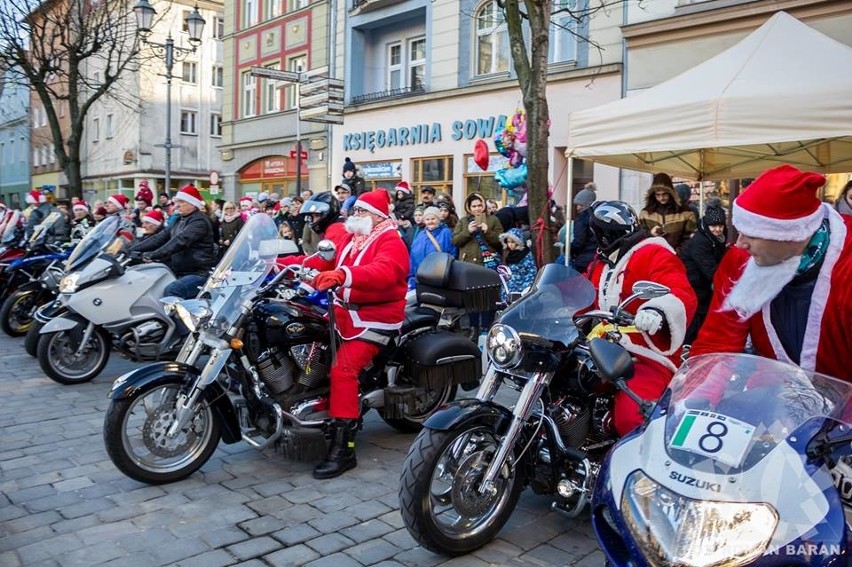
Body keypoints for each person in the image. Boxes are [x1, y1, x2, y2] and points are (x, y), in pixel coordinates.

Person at [690, 165, 852, 382]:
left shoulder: (846, 267)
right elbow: (717, 342)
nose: (740, 243)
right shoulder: (740, 260)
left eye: (752, 234)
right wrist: (695, 398)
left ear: (791, 234)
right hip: (774, 393)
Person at [291, 190, 409, 479]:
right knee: (308, 343)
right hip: (343, 314)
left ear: (378, 216)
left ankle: (344, 448)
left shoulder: (391, 240)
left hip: (375, 318)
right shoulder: (350, 238)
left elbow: (386, 271)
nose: (355, 216)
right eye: (354, 211)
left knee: (343, 370)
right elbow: (321, 259)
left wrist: (344, 275)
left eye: (362, 212)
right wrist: (280, 264)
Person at [586, 200, 697, 436]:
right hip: (602, 346)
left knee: (633, 415)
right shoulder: (602, 261)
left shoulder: (654, 252)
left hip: (644, 351)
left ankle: (637, 462)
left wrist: (656, 310)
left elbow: (680, 291)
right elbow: (583, 291)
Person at [129, 185, 217, 299]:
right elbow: (159, 238)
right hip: (178, 271)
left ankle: (179, 317)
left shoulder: (199, 221)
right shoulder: (178, 219)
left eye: (181, 201)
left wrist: (153, 255)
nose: (177, 205)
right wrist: (131, 250)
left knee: (172, 291)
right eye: (176, 201)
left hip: (198, 274)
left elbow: (179, 241)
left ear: (192, 203)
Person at [679, 198, 729, 344]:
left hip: (702, 284)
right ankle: (688, 345)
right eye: (713, 226)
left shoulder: (717, 238)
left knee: (703, 313)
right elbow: (710, 270)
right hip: (692, 283)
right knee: (696, 315)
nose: (717, 229)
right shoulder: (701, 242)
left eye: (720, 225)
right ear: (707, 225)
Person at [453, 192, 503, 338]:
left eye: (479, 205)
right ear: (469, 207)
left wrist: (487, 232)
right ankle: (473, 328)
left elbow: (500, 242)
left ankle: (486, 329)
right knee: (472, 300)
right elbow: (455, 241)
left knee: (488, 299)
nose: (477, 209)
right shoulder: (463, 222)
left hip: (488, 266)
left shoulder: (493, 220)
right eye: (474, 206)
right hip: (469, 266)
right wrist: (468, 231)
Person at [638, 172, 697, 252]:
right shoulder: (645, 213)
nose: (661, 198)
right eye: (658, 195)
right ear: (653, 195)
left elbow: (691, 237)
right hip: (653, 258)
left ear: (671, 193)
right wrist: (650, 233)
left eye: (664, 194)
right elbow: (638, 237)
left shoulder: (685, 212)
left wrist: (677, 253)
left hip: (678, 259)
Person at [407, 206, 456, 289]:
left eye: (433, 219)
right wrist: (411, 277)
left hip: (439, 278)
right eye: (427, 219)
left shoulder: (446, 233)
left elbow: (453, 253)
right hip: (421, 278)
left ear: (438, 219)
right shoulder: (421, 235)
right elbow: (412, 257)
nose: (430, 222)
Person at [299, 191, 345, 256]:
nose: (314, 220)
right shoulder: (329, 229)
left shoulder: (337, 229)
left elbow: (324, 260)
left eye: (317, 215)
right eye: (312, 217)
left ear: (328, 214)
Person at [568, 182, 598, 274]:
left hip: (584, 260)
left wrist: (568, 249)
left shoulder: (582, 219)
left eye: (580, 205)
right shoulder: (597, 216)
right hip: (597, 258)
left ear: (587, 204)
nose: (577, 208)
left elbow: (579, 242)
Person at [499, 228, 536, 299]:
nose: (510, 244)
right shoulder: (507, 253)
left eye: (513, 242)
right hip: (508, 289)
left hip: (521, 289)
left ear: (518, 242)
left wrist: (525, 287)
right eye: (508, 242)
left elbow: (531, 271)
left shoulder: (525, 254)